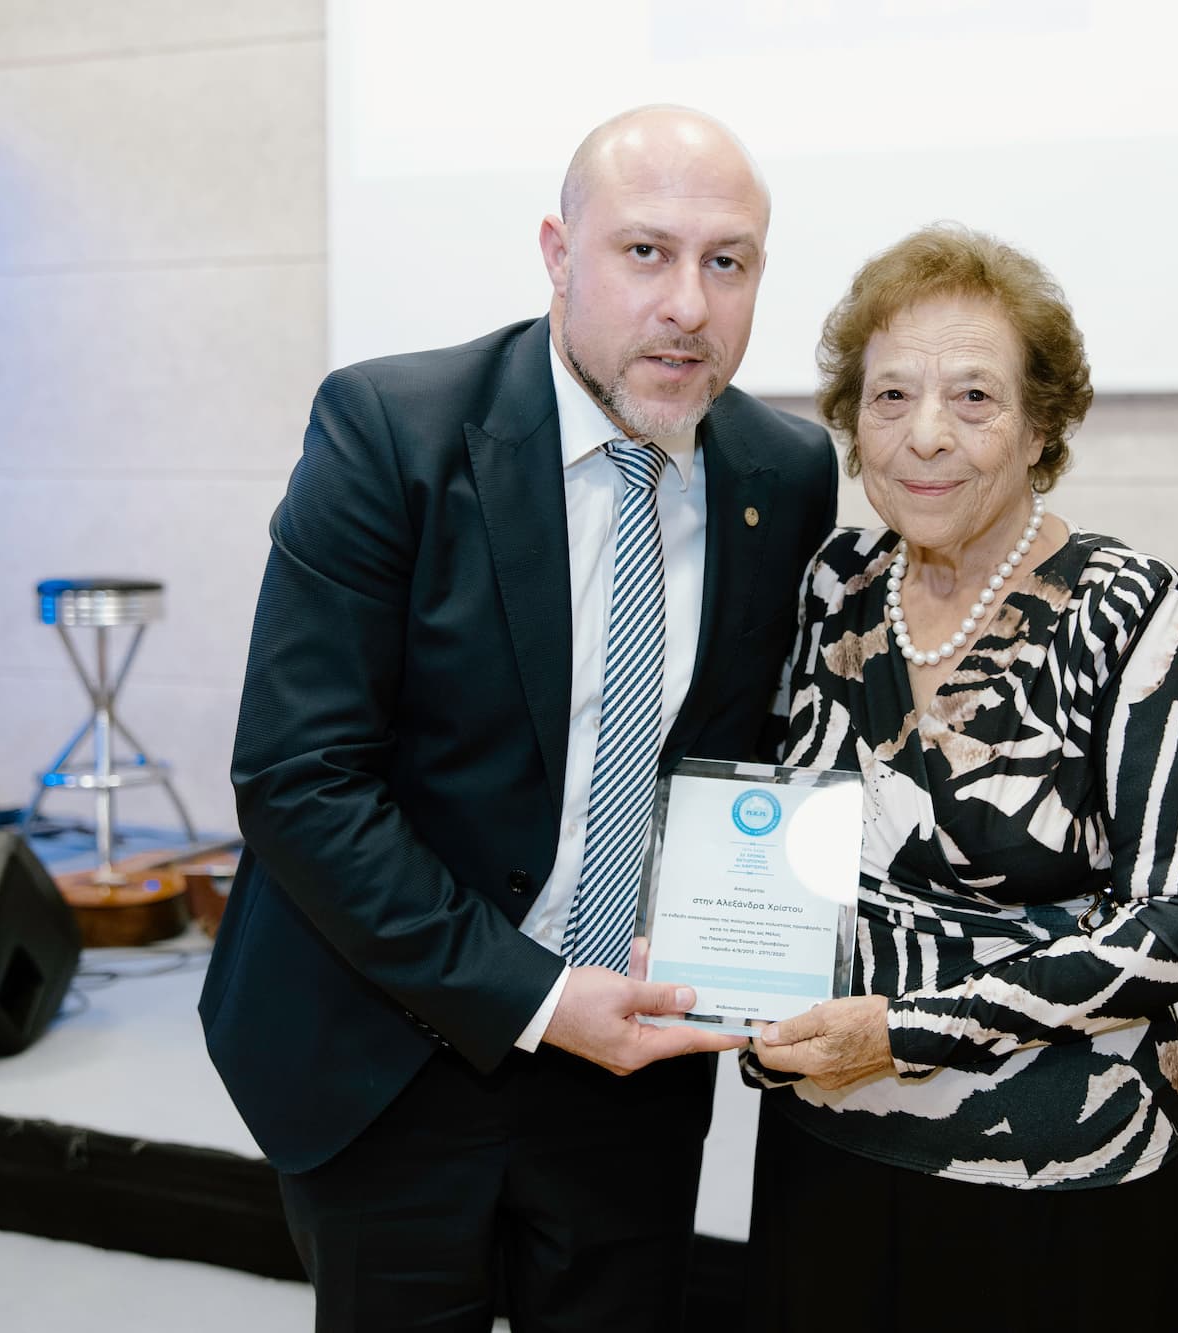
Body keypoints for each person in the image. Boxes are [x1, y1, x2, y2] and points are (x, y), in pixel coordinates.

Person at [199, 106, 837, 1332]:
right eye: (644, 252)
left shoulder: (785, 471)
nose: (688, 307)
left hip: (635, 1069)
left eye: (727, 262)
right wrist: (535, 997)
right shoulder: (391, 431)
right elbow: (299, 777)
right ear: (557, 253)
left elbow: (750, 762)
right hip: (388, 1046)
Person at [741, 224, 1178, 1333]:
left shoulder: (1121, 603)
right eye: (889, 397)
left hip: (1051, 1171)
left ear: (1039, 427)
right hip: (828, 1141)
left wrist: (908, 1029)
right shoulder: (835, 584)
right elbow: (774, 831)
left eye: (974, 397)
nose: (925, 434)